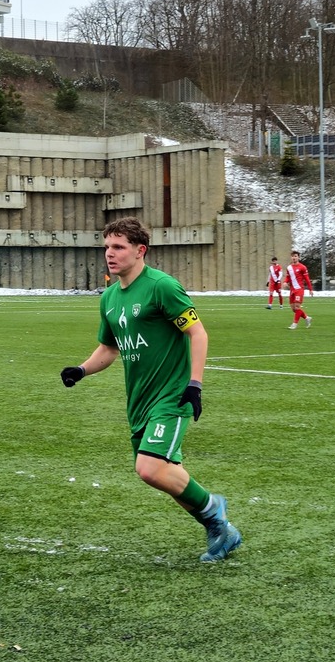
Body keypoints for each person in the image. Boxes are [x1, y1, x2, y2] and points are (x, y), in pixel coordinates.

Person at [60, 218, 241, 563]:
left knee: (150, 468)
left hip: (171, 396)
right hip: (139, 400)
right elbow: (109, 350)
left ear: (140, 251)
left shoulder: (162, 286)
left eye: (118, 247)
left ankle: (214, 507)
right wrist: (81, 370)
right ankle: (221, 530)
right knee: (166, 476)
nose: (109, 255)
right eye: (106, 248)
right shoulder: (110, 298)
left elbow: (198, 333)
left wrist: (195, 384)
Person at [285, 249, 312, 329]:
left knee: (297, 307)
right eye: (293, 256)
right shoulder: (289, 267)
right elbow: (288, 277)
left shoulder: (302, 267)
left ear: (298, 257)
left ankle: (294, 324)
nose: (294, 258)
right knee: (294, 309)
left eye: (295, 256)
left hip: (299, 289)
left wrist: (310, 289)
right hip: (292, 290)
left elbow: (307, 279)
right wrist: (285, 282)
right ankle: (307, 318)